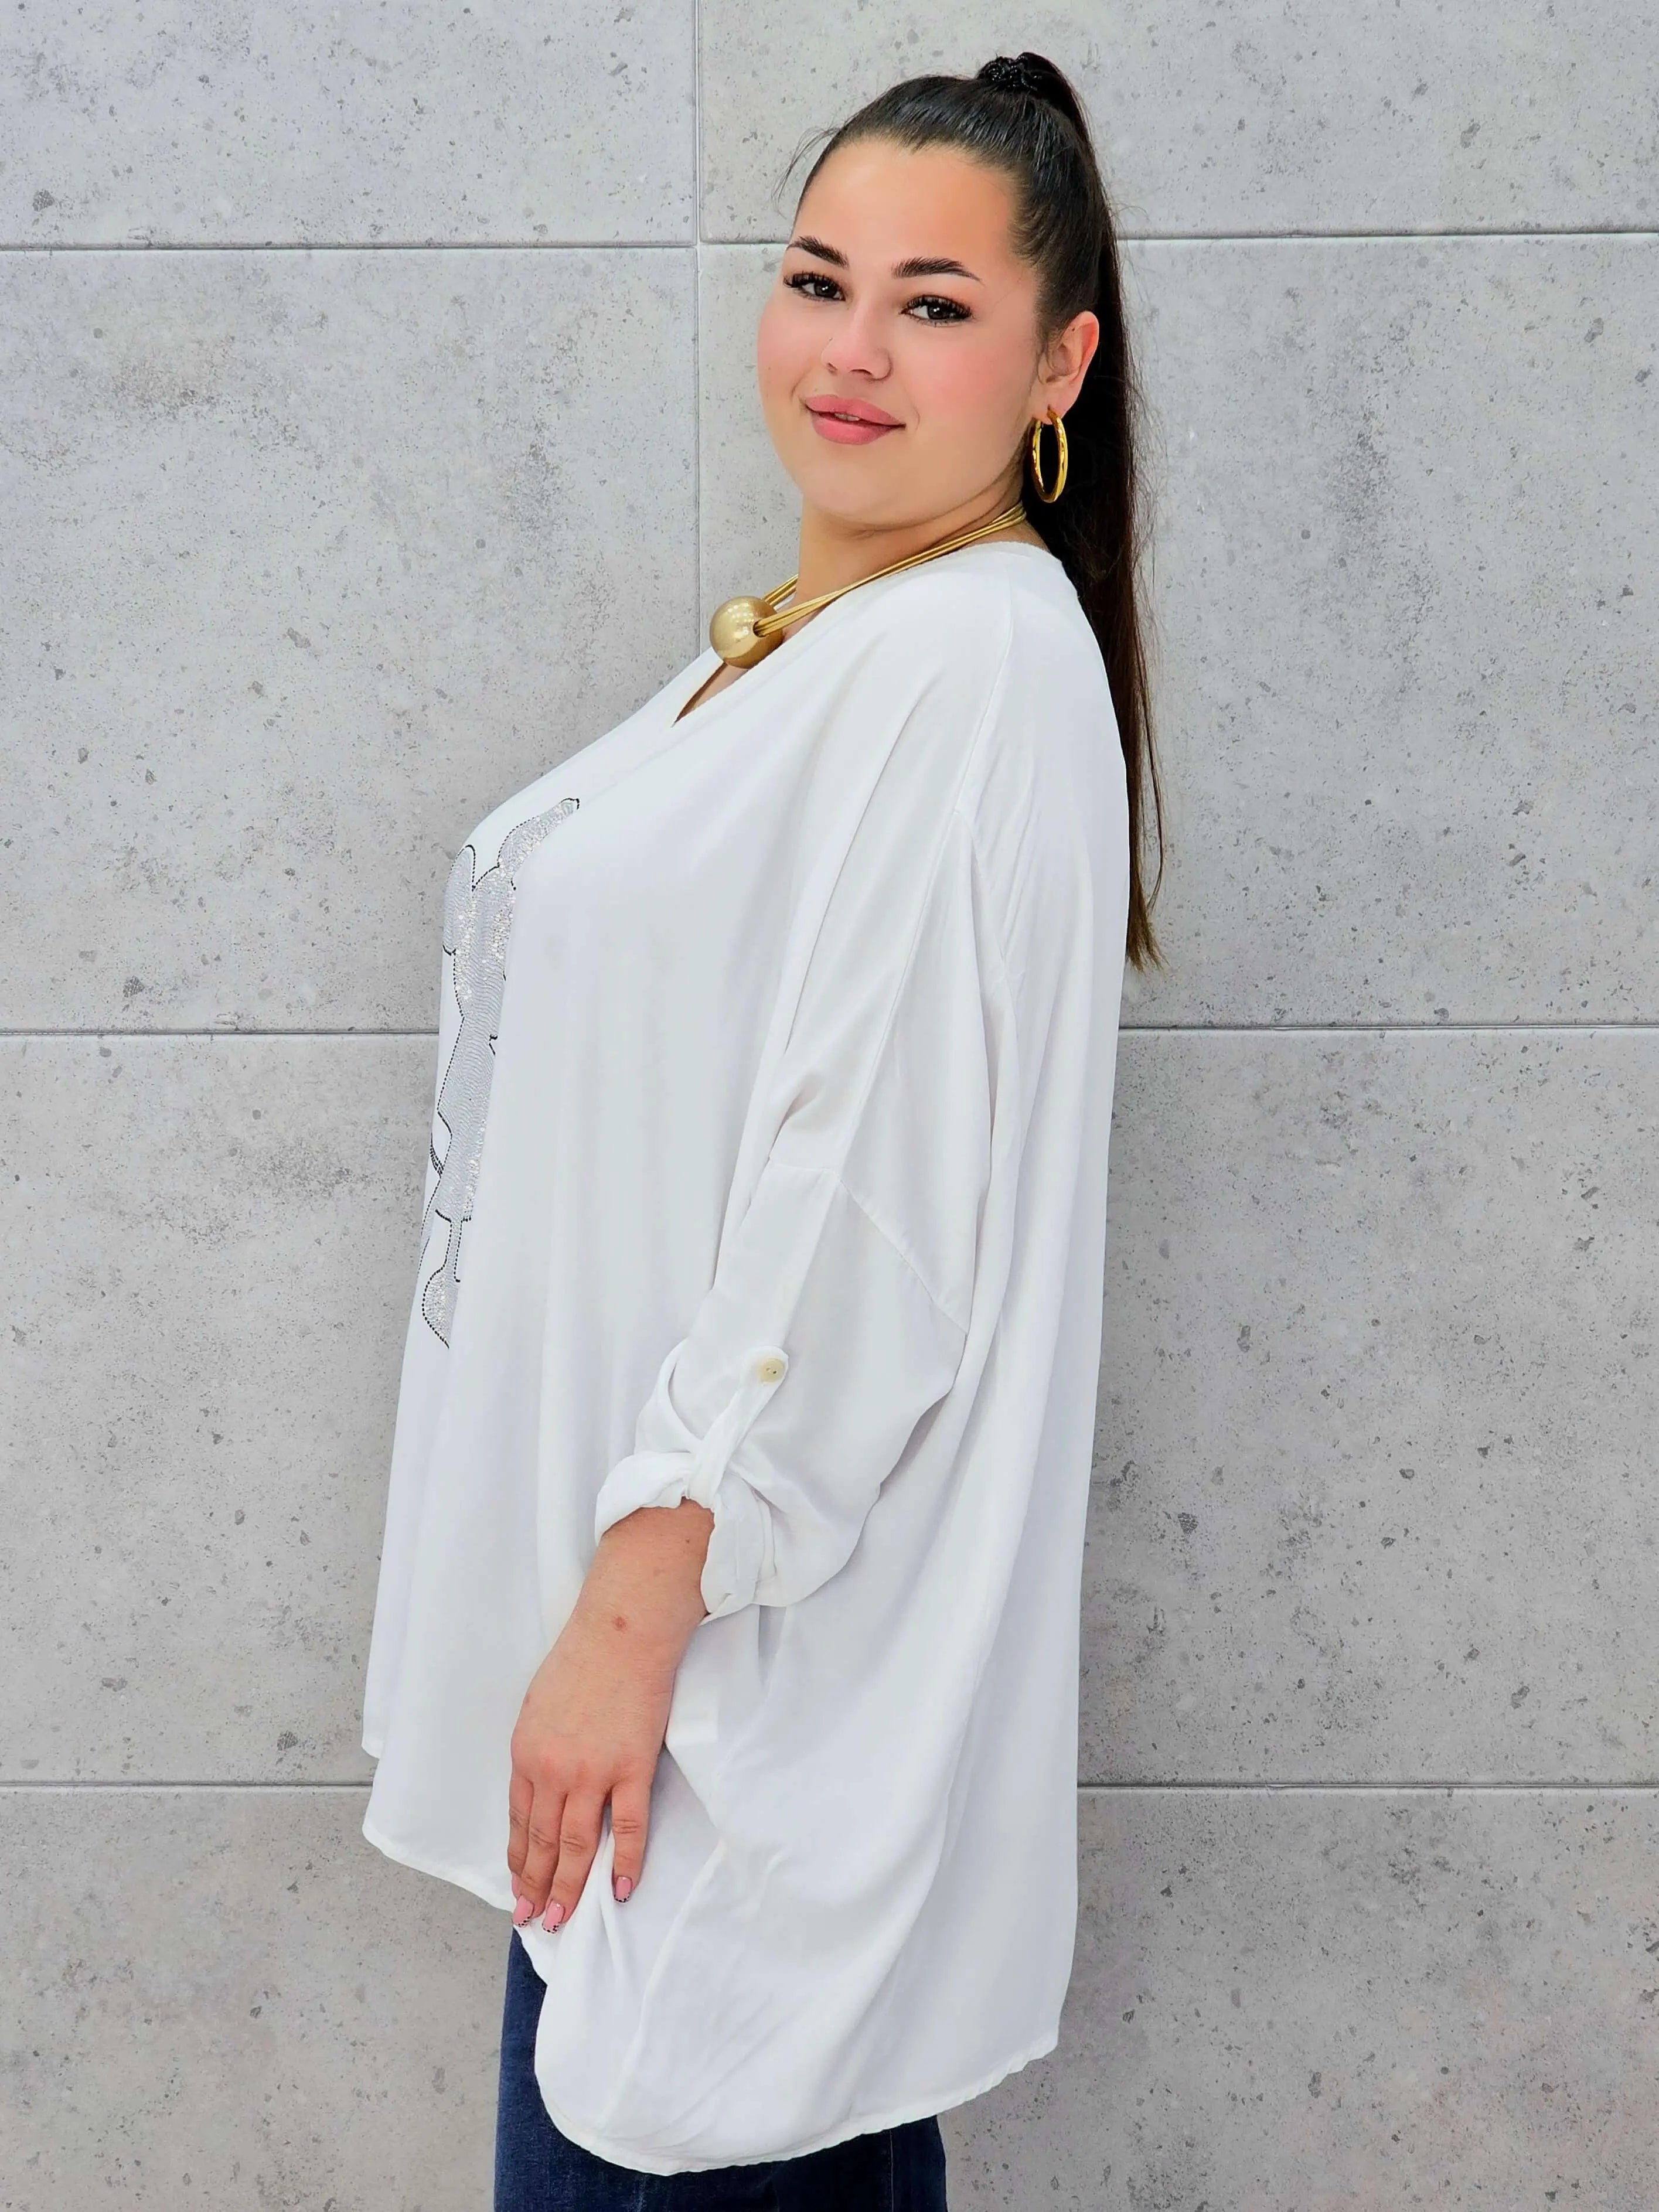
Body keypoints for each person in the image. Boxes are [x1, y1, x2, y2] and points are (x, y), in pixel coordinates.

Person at [359, 49, 1164, 2212]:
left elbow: (865, 1195)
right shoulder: (817, 651)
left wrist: (637, 1611)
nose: (853, 349)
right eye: (820, 281)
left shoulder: (969, 665)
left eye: (934, 304)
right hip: (678, 1711)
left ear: (1058, 364)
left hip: (721, 1710)